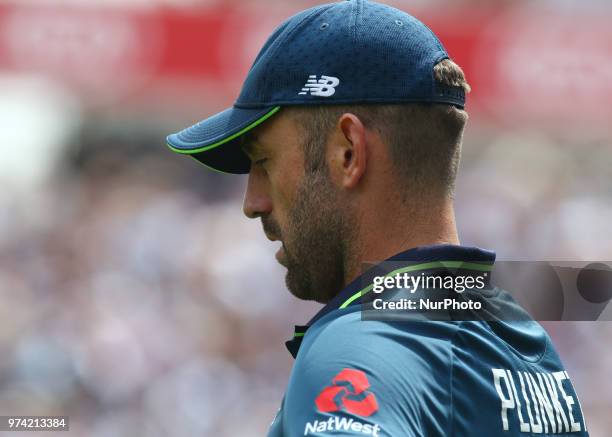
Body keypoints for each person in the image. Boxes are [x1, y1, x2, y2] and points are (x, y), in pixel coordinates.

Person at [166, 1, 589, 435]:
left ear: (348, 152)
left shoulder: (356, 347)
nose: (253, 202)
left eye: (265, 162)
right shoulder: (525, 347)